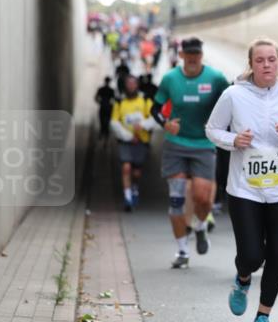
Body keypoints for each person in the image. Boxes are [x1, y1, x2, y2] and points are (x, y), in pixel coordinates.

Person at [206, 38, 278, 322]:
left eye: (271, 60)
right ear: (250, 64)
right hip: (245, 189)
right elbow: (212, 129)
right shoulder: (233, 95)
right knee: (252, 255)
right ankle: (242, 280)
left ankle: (262, 319)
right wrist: (233, 141)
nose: (266, 65)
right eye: (260, 60)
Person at [150, 37, 229, 269]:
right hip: (176, 144)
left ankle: (201, 226)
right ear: (182, 55)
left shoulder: (215, 78)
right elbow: (155, 107)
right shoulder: (170, 78)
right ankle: (182, 251)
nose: (193, 58)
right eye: (189, 54)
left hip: (204, 144)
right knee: (176, 201)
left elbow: (231, 101)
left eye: (197, 54)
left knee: (202, 198)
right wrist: (165, 123)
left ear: (201, 55)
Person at [110, 75, 156, 211]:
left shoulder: (145, 100)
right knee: (126, 167)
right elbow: (114, 122)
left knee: (136, 172)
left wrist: (142, 125)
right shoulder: (119, 102)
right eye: (128, 84)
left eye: (133, 83)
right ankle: (128, 197)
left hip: (141, 141)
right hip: (126, 141)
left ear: (137, 85)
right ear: (125, 86)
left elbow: (154, 118)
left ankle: (135, 187)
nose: (131, 86)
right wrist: (127, 136)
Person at [94, 76, 116, 141]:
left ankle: (103, 132)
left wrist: (100, 102)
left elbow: (96, 98)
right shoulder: (111, 90)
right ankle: (105, 132)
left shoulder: (102, 89)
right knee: (105, 120)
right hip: (108, 107)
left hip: (104, 107)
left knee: (102, 120)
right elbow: (114, 99)